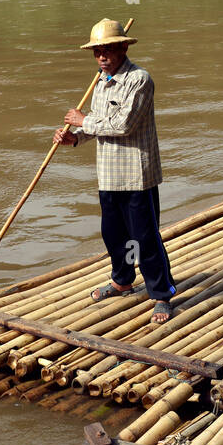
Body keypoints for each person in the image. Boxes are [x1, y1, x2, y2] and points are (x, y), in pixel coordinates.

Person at [54, 18, 177, 325]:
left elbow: (123, 125)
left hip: (136, 174)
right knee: (113, 234)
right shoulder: (100, 80)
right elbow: (98, 122)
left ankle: (161, 294)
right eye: (97, 51)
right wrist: (75, 137)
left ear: (124, 47)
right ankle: (122, 280)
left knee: (145, 237)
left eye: (108, 49)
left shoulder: (140, 80)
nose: (102, 57)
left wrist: (83, 121)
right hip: (108, 173)